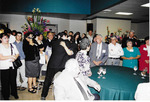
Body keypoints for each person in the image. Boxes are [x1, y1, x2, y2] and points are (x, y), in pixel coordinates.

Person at [41, 32, 74, 100]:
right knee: (64, 81)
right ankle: (65, 95)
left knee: (47, 80)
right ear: (64, 36)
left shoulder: (54, 42)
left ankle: (43, 96)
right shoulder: (67, 43)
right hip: (61, 65)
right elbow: (70, 53)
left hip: (52, 64)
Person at [0, 33, 19, 100]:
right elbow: (1, 57)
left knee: (13, 80)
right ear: (1, 39)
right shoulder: (0, 46)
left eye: (7, 38)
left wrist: (15, 58)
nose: (7, 39)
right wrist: (10, 56)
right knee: (5, 82)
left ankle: (14, 93)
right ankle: (6, 95)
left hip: (12, 66)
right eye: (5, 38)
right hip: (4, 67)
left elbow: (17, 53)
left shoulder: (12, 45)